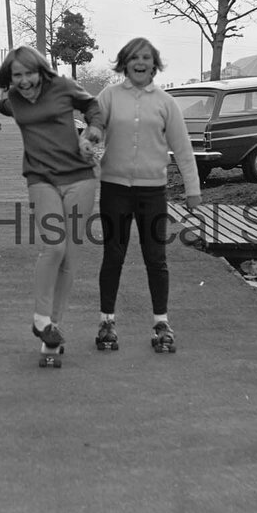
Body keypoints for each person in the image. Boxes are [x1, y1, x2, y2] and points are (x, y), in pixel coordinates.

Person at [0, 45, 106, 363]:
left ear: (41, 70)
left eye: (29, 73)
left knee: (70, 255)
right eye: (17, 76)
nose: (24, 81)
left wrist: (93, 129)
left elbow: (92, 106)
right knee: (53, 247)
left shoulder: (64, 87)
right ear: (10, 77)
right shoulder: (12, 100)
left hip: (80, 177)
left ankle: (53, 328)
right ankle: (40, 319)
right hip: (41, 179)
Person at [85, 37, 202, 354]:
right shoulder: (108, 96)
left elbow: (183, 149)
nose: (140, 62)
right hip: (115, 189)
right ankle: (107, 322)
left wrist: (193, 189)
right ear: (124, 62)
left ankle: (161, 324)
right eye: (134, 57)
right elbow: (92, 132)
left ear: (155, 64)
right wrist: (88, 143)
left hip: (152, 193)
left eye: (146, 57)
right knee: (114, 255)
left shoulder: (166, 103)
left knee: (156, 258)